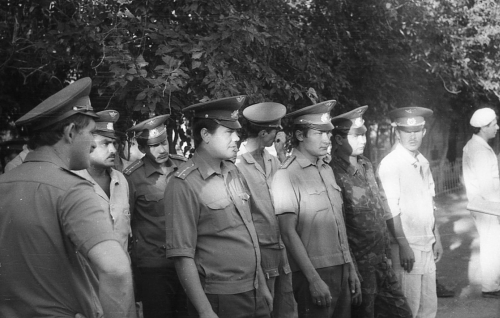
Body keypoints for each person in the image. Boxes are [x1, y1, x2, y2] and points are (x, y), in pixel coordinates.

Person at [0, 77, 136, 318]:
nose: (93, 145)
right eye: (91, 133)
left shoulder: (4, 183)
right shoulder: (73, 190)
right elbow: (116, 270)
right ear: (70, 132)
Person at [165, 96, 272, 318]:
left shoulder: (233, 172)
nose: (236, 138)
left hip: (252, 291)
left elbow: (248, 235)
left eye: (236, 132)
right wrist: (204, 310)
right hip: (220, 299)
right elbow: (182, 256)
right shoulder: (183, 184)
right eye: (228, 132)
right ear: (205, 135)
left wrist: (261, 285)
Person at [271, 100, 361, 318]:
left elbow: (338, 224)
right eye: (319, 133)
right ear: (300, 136)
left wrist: (350, 267)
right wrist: (313, 279)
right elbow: (288, 233)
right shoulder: (287, 175)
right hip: (314, 271)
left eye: (328, 134)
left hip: (340, 268)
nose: (326, 139)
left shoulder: (326, 169)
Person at [330, 106, 412, 318]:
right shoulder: (332, 173)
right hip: (360, 267)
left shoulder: (366, 165)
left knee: (402, 313)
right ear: (338, 140)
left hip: (382, 262)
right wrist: (352, 269)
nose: (363, 140)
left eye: (364, 134)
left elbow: (382, 210)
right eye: (356, 135)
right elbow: (339, 227)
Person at [378, 107, 442, 318]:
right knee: (408, 307)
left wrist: (437, 237)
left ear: (424, 132)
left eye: (417, 131)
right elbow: (391, 209)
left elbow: (429, 203)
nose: (412, 136)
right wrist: (404, 245)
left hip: (426, 243)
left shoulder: (422, 161)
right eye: (407, 131)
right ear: (397, 132)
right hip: (407, 246)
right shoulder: (391, 164)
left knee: (428, 305)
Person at [123, 114, 189, 318]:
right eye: (154, 146)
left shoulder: (184, 167)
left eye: (164, 142)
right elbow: (126, 225)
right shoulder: (132, 177)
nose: (162, 150)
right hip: (154, 267)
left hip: (187, 263)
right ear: (142, 149)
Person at [235, 102, 295, 318]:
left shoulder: (272, 161)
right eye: (273, 132)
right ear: (263, 133)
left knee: (287, 310)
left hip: (281, 250)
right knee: (263, 310)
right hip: (259, 254)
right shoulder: (237, 166)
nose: (275, 137)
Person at [73, 110, 131, 252]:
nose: (112, 150)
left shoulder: (121, 180)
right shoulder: (72, 182)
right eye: (105, 143)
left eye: (114, 143)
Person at [462, 107, 500, 298]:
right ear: (484, 127)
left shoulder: (475, 145)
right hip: (488, 206)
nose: (497, 127)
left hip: (483, 205)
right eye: (494, 124)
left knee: (492, 244)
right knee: (492, 245)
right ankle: (491, 287)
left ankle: (492, 285)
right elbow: (487, 187)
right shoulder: (480, 151)